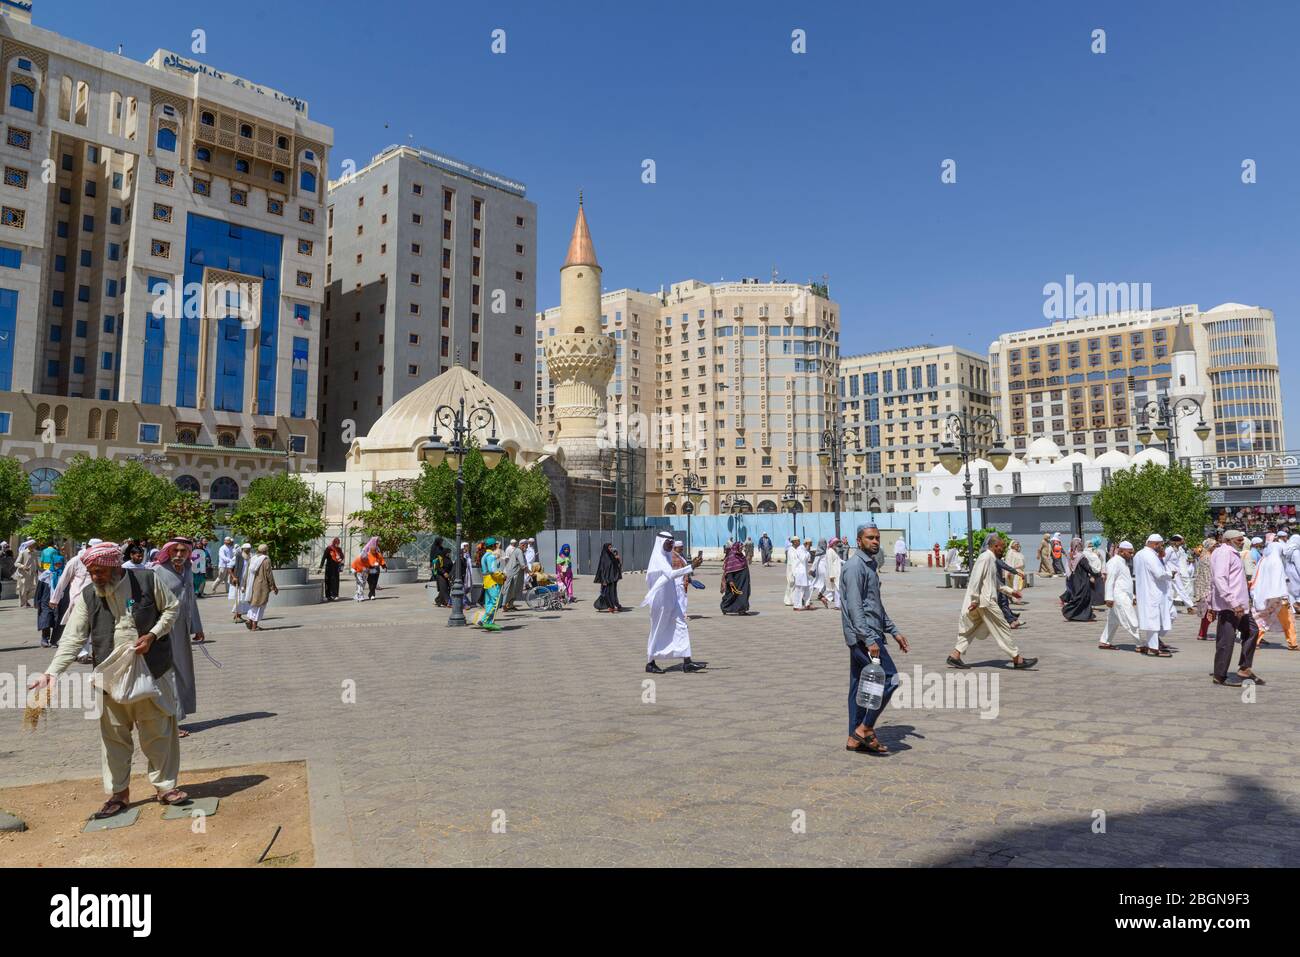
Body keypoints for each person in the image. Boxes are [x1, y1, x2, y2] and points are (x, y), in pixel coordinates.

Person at [27, 541, 187, 819]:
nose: (95, 577)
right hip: (110, 675)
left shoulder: (147, 580)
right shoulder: (89, 595)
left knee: (158, 731)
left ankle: (164, 788)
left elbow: (171, 609)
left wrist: (153, 635)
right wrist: (51, 673)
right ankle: (118, 794)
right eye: (91, 572)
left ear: (115, 566)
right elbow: (73, 638)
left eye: (100, 572)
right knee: (114, 736)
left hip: (152, 670)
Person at [841, 523, 910, 755]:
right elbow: (855, 608)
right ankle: (865, 728)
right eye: (870, 538)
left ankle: (854, 737)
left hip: (871, 633)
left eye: (877, 538)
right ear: (858, 540)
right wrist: (869, 639)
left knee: (858, 686)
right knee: (890, 679)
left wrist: (894, 631)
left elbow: (875, 606)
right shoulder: (854, 567)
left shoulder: (869, 566)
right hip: (864, 637)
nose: (875, 542)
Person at [948, 535, 1036, 670]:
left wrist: (1011, 592)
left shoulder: (991, 559)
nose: (1003, 549)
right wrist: (975, 599)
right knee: (1003, 628)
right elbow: (976, 579)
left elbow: (995, 583)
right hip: (985, 602)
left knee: (972, 628)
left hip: (982, 602)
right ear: (995, 546)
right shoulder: (986, 557)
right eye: (1002, 547)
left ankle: (955, 655)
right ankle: (1018, 659)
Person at [151, 538, 203, 737]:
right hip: (163, 630)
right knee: (169, 672)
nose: (179, 555)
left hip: (182, 629)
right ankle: (172, 720)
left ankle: (176, 716)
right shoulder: (158, 572)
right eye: (175, 551)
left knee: (182, 671)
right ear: (168, 552)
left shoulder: (188, 571)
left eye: (183, 551)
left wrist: (197, 627)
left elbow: (190, 600)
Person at [643, 531, 705, 673]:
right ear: (661, 542)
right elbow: (670, 574)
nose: (671, 545)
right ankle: (650, 663)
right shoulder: (658, 557)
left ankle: (687, 661)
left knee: (682, 626)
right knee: (657, 629)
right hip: (660, 602)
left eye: (672, 543)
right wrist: (691, 567)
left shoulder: (666, 556)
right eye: (668, 543)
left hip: (671, 599)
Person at [1209, 529, 1262, 685]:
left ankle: (1244, 668)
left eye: (1242, 540)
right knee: (1226, 640)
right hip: (1231, 605)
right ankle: (1219, 675)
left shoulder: (1232, 553)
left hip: (1241, 605)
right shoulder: (1224, 553)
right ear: (1228, 540)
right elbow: (1220, 579)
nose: (1242, 543)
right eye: (1238, 540)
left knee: (1252, 630)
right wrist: (1232, 602)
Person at [1133, 534, 1174, 658]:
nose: (1161, 547)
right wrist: (1170, 574)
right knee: (1153, 621)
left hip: (1145, 592)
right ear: (1155, 544)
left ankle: (1154, 645)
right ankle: (1153, 648)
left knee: (1152, 621)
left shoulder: (1139, 554)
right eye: (1161, 545)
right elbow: (1159, 574)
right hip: (1153, 592)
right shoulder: (1150, 555)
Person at [1252, 540, 1296, 650]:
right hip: (1278, 597)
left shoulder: (1263, 560)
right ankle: (1292, 643)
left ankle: (1255, 641)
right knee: (1288, 620)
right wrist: (1284, 596)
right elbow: (1278, 581)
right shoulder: (1277, 562)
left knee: (1264, 619)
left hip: (1265, 595)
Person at [1099, 541, 1139, 650]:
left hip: (1125, 595)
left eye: (1132, 553)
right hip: (1118, 597)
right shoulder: (1114, 562)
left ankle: (1105, 641)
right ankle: (1140, 644)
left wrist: (1133, 597)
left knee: (1113, 621)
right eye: (1130, 552)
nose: (1132, 555)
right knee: (1130, 619)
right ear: (1121, 551)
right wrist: (1108, 598)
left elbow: (1125, 581)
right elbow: (1109, 581)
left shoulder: (1123, 562)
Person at [1059, 537, 1099, 622]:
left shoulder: (1071, 555)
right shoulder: (1081, 557)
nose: (1081, 546)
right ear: (1077, 546)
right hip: (1083, 580)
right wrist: (1097, 574)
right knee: (1084, 598)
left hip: (1074, 580)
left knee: (1079, 597)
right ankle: (1069, 611)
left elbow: (1068, 568)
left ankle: (1083, 615)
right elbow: (1088, 568)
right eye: (1080, 544)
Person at [35, 547, 67, 647]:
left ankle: (54, 640)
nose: (58, 566)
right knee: (46, 618)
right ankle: (44, 639)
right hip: (46, 600)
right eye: (56, 564)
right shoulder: (46, 575)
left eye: (60, 564)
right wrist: (37, 602)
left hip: (60, 601)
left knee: (59, 621)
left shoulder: (65, 575)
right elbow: (39, 590)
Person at [243, 544, 278, 630]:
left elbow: (246, 573)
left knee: (254, 603)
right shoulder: (266, 560)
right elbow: (269, 574)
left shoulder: (253, 558)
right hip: (262, 585)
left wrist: (244, 585)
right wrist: (273, 586)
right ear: (266, 551)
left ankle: (250, 621)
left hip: (252, 585)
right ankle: (254, 626)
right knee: (261, 605)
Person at [1193, 538, 1218, 640]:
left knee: (1207, 612)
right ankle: (1202, 634)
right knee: (1209, 612)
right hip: (1207, 587)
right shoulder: (1208, 557)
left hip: (1203, 586)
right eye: (1214, 546)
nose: (1216, 547)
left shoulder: (1203, 556)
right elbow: (1210, 574)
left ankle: (1202, 633)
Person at [478, 537, 503, 631]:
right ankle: (484, 620)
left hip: (487, 582)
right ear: (493, 545)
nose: (497, 546)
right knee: (495, 603)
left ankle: (489, 623)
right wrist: (503, 575)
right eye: (496, 544)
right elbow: (493, 571)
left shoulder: (485, 555)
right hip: (493, 582)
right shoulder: (491, 556)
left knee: (488, 603)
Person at [720, 541, 751, 615]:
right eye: (740, 547)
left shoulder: (741, 556)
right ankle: (725, 607)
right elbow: (729, 570)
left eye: (742, 547)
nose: (741, 548)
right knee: (732, 595)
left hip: (743, 581)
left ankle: (742, 610)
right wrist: (730, 580)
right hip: (735, 581)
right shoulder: (732, 556)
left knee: (744, 594)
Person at [1165, 534, 1194, 610]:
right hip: (1169, 574)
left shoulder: (1177, 550)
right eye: (1180, 541)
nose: (1182, 542)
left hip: (1176, 573)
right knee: (1169, 591)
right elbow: (1163, 561)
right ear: (1176, 542)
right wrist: (1168, 572)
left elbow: (1177, 563)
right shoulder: (1169, 550)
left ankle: (1189, 606)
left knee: (1181, 589)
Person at [594, 543, 623, 612]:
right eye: (609, 547)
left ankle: (613, 605)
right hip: (606, 579)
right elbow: (601, 569)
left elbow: (618, 566)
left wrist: (618, 559)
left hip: (613, 578)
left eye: (611, 547)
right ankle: (610, 606)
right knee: (607, 593)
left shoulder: (612, 556)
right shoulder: (604, 557)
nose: (610, 549)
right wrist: (603, 580)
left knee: (613, 593)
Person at [14, 538, 37, 608]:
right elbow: (16, 563)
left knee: (33, 588)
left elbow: (36, 564)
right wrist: (23, 566)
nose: (35, 546)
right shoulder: (23, 552)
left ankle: (26, 601)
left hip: (32, 574)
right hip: (23, 574)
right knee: (23, 589)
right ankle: (23, 603)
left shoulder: (35, 553)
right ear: (29, 545)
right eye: (33, 545)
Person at [320, 537, 344, 602]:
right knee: (328, 581)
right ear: (334, 542)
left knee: (335, 581)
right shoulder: (329, 549)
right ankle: (328, 595)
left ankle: (335, 595)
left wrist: (340, 558)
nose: (337, 544)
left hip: (336, 568)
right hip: (329, 568)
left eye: (338, 543)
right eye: (336, 543)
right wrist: (320, 567)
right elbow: (324, 558)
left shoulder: (339, 549)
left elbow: (342, 556)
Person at [232, 543, 252, 619]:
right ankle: (237, 615)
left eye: (249, 549)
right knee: (240, 598)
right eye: (247, 549)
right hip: (239, 579)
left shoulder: (250, 557)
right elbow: (229, 567)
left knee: (245, 598)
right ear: (243, 549)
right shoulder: (238, 556)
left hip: (248, 580)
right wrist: (234, 577)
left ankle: (239, 615)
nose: (248, 550)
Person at [809, 540, 831, 608]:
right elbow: (815, 562)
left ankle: (820, 594)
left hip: (824, 569)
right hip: (821, 570)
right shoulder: (820, 552)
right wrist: (812, 570)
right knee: (816, 583)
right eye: (824, 543)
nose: (825, 544)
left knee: (822, 583)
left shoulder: (825, 551)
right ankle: (807, 596)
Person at [825, 537, 844, 609]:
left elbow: (839, 560)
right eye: (836, 543)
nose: (837, 544)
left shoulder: (834, 551)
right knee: (838, 589)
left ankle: (836, 604)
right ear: (832, 543)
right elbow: (829, 564)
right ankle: (837, 605)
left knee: (837, 589)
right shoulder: (830, 551)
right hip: (834, 573)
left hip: (838, 572)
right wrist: (831, 575)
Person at [783, 536, 800, 605]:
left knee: (795, 586)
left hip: (797, 570)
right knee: (791, 585)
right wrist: (794, 572)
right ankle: (789, 600)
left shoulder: (797, 549)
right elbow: (793, 562)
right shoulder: (791, 550)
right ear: (794, 542)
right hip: (792, 570)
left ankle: (793, 599)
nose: (799, 542)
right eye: (798, 541)